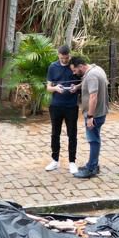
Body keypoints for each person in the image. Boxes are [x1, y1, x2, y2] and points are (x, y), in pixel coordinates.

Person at [69, 56, 109, 179]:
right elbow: (89, 83)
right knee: (95, 139)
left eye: (75, 70)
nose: (74, 73)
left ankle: (91, 169)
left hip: (95, 114)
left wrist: (90, 116)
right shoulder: (96, 69)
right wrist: (77, 87)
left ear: (81, 66)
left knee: (93, 141)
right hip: (101, 112)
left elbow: (93, 97)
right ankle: (92, 164)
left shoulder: (91, 75)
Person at [45, 44, 79, 174]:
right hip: (56, 105)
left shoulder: (73, 65)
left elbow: (82, 82)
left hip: (71, 105)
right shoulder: (53, 67)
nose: (64, 60)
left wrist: (75, 87)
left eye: (66, 58)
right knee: (55, 133)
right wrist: (55, 88)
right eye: (62, 58)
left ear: (69, 55)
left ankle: (72, 161)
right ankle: (55, 160)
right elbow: (48, 87)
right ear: (58, 55)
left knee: (72, 134)